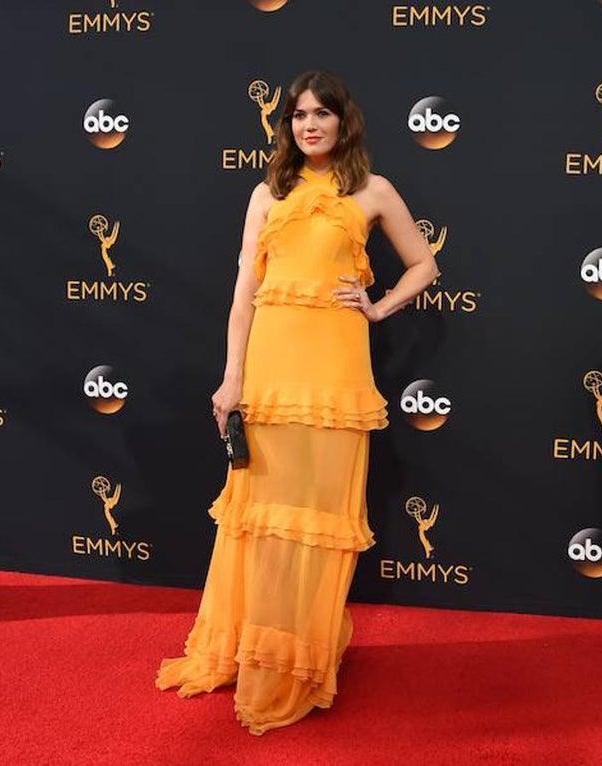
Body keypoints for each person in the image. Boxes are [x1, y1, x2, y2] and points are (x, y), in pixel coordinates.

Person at [156, 70, 439, 735]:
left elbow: (425, 265)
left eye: (321, 114)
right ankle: (252, 650)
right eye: (298, 115)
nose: (309, 125)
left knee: (315, 515)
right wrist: (233, 380)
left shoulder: (374, 192)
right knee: (260, 517)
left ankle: (297, 661)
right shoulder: (266, 195)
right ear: (286, 126)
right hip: (273, 367)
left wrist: (377, 307)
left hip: (335, 372)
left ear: (345, 122)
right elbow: (242, 299)